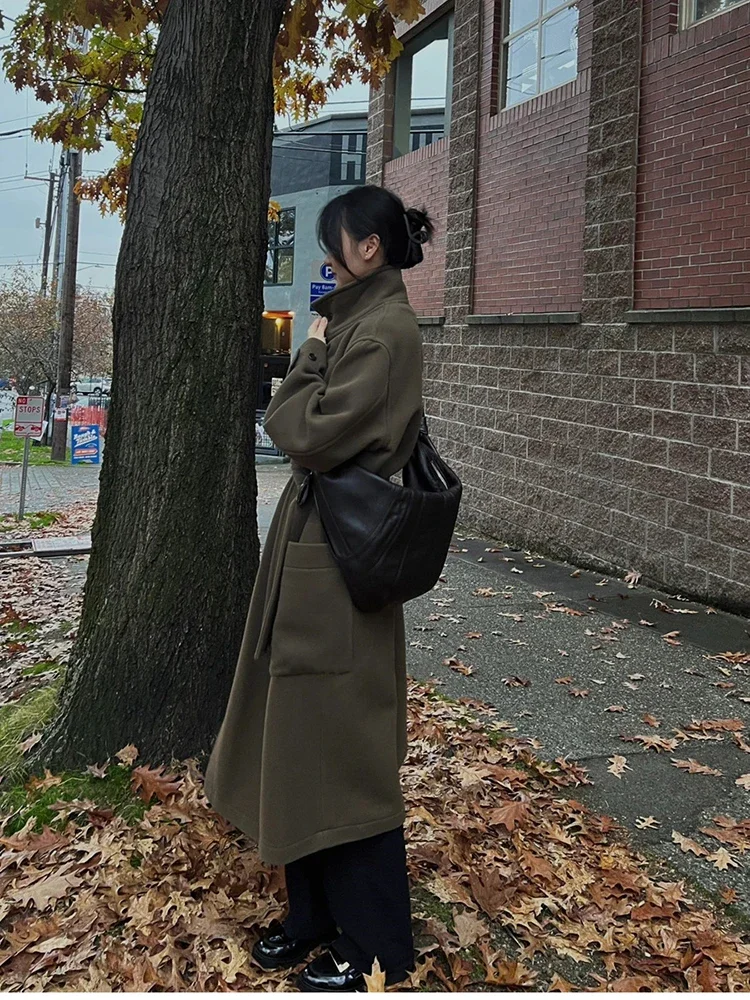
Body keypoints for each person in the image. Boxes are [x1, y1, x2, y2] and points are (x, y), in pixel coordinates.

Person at [204, 185, 434, 993]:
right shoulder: (360, 320)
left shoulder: (383, 330)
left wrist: (307, 350)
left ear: (369, 247)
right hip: (318, 555)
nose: (326, 257)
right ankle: (314, 920)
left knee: (345, 755)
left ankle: (376, 949)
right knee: (303, 746)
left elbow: (299, 431)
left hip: (340, 568)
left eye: (336, 242)